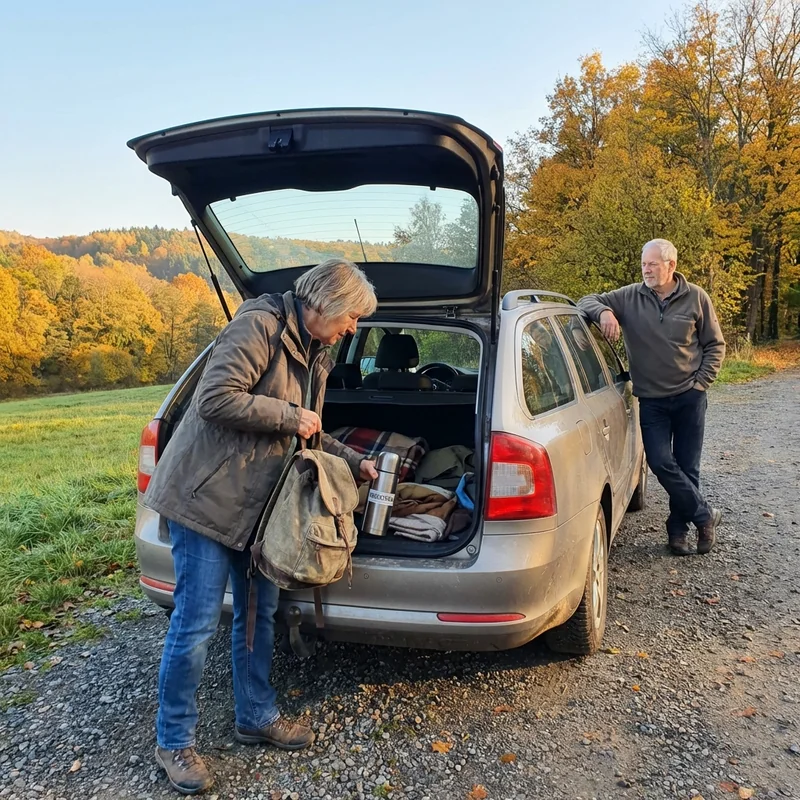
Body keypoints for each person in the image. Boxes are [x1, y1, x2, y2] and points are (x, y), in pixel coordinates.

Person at [144, 258, 379, 795]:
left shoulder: (316, 352)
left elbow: (309, 433)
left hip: (260, 507)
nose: (353, 330)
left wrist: (349, 459)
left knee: (258, 615)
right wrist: (287, 416)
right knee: (197, 624)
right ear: (324, 302)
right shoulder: (259, 325)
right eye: (351, 318)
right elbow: (215, 398)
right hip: (205, 499)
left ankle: (255, 715)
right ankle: (173, 741)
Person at [577, 239, 726, 557]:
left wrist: (702, 383)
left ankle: (678, 532)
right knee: (660, 462)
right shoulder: (630, 296)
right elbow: (585, 301)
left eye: (653, 264)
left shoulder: (696, 297)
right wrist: (604, 311)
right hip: (652, 401)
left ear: (671, 265)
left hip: (690, 397)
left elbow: (715, 344)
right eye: (644, 263)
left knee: (688, 467)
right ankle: (704, 515)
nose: (646, 269)